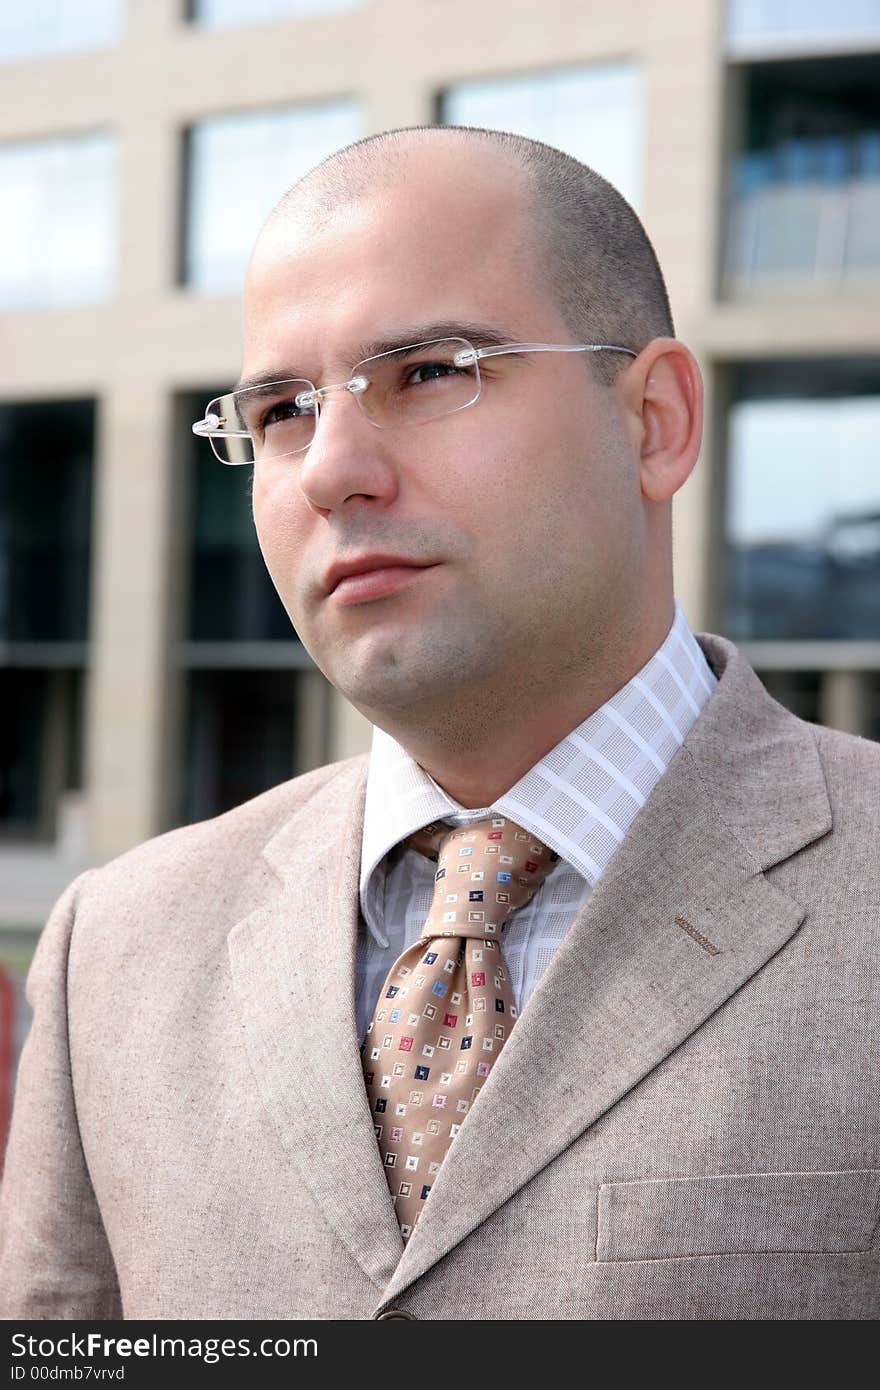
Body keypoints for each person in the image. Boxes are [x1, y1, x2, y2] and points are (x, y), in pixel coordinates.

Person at [1, 125, 878, 1323]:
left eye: (427, 372)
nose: (330, 470)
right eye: (279, 410)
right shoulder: (117, 947)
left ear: (655, 420)